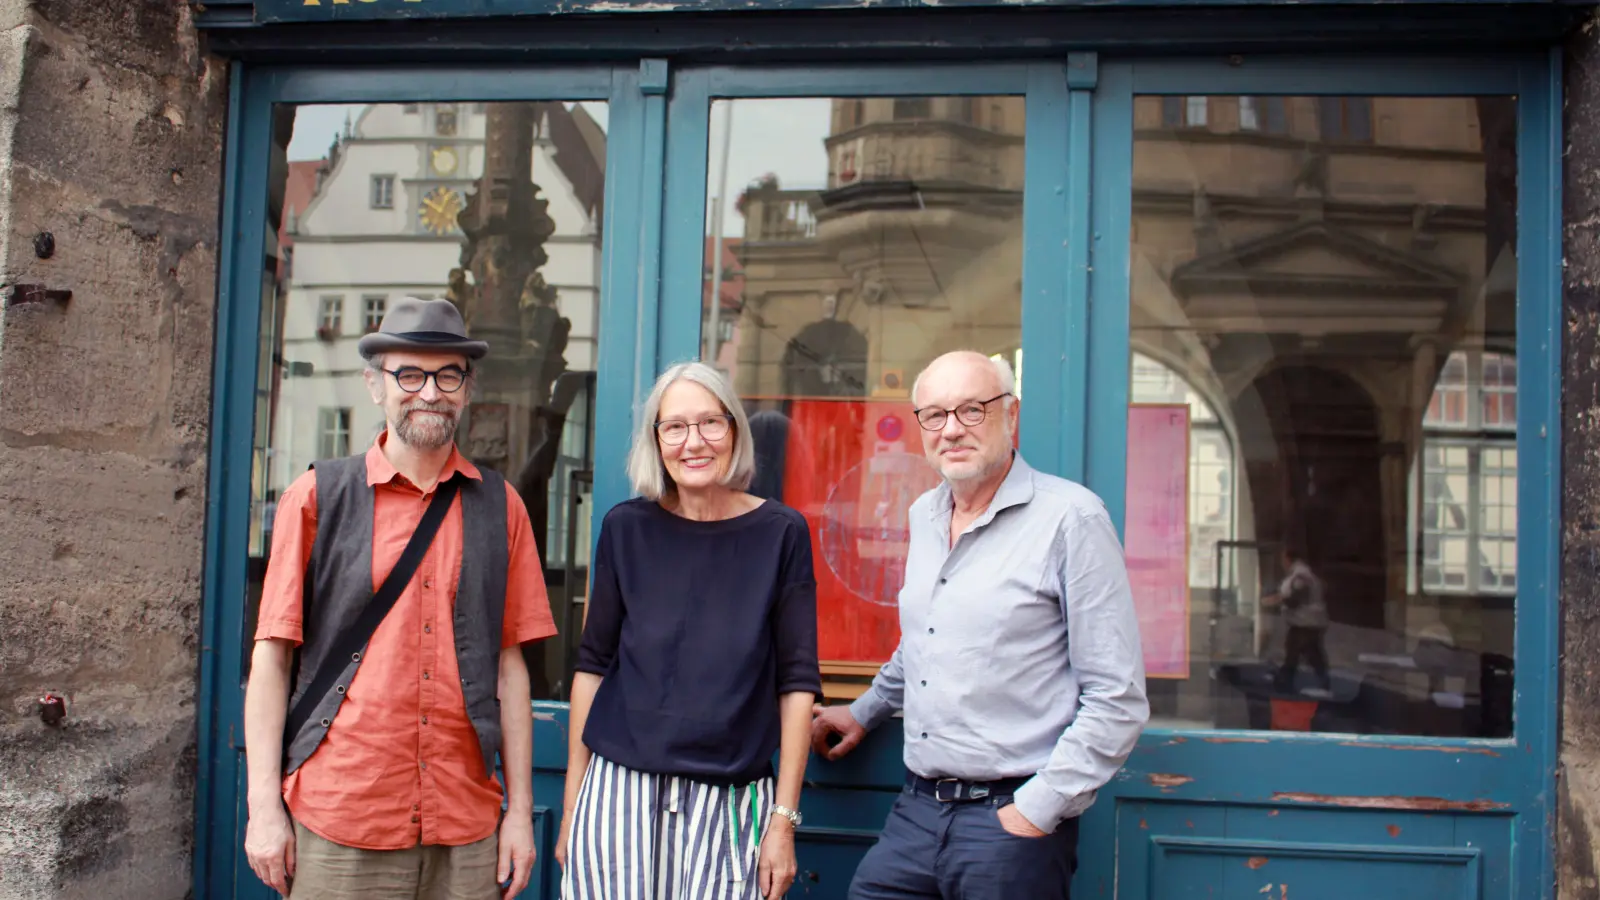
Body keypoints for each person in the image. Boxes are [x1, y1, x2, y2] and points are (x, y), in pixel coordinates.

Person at [242, 296, 558, 899]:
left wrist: (520, 813)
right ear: (375, 386)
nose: (430, 392)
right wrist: (263, 806)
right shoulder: (316, 498)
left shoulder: (501, 507)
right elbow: (272, 659)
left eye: (448, 375)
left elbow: (511, 670)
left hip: (466, 829)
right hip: (342, 817)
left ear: (466, 389)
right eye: (408, 374)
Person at [810, 350, 1150, 900]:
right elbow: (926, 639)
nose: (951, 429)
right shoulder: (925, 514)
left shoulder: (1072, 519)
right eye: (935, 414)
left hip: (1009, 822)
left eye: (972, 410)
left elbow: (1117, 697)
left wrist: (1037, 810)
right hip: (916, 813)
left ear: (1010, 416)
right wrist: (864, 710)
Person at [556, 361, 820, 900]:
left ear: (735, 431)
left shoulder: (781, 534)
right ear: (656, 440)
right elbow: (591, 669)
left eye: (710, 424)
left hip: (730, 801)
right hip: (616, 796)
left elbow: (796, 686)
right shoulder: (625, 529)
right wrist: (572, 809)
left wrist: (782, 823)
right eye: (674, 427)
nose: (692, 442)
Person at [1263, 543, 1331, 696]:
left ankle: (1285, 683)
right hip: (1308, 622)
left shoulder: (1301, 575)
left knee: (1295, 652)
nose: (1282, 562)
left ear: (1289, 558)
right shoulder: (1301, 574)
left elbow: (1296, 597)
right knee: (1312, 653)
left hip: (1305, 622)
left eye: (1283, 558)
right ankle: (1323, 682)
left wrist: (1276, 601)